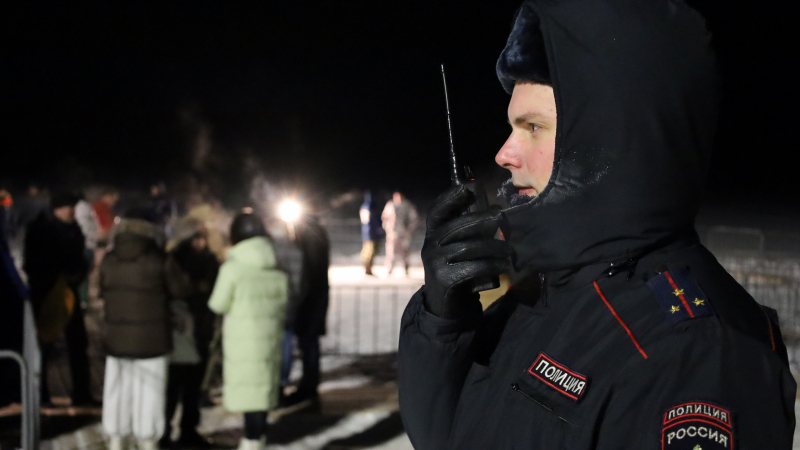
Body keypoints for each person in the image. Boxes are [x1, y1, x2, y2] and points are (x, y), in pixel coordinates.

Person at [398, 2, 795, 449]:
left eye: (533, 127)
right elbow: (447, 437)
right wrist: (443, 323)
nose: (504, 153)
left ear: (613, 144)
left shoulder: (695, 353)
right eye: (512, 127)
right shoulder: (551, 288)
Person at [100, 211, 186, 450]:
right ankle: (148, 441)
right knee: (150, 392)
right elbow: (180, 289)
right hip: (152, 341)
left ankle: (116, 440)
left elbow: (101, 288)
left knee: (117, 390)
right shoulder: (159, 260)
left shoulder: (109, 259)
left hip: (116, 340)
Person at [208, 213, 288, 450]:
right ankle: (258, 436)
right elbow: (285, 302)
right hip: (269, 338)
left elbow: (218, 304)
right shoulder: (276, 267)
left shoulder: (232, 269)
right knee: (262, 390)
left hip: (242, 341)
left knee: (248, 391)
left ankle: (251, 441)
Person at [23, 192, 92, 406]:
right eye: (68, 206)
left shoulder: (74, 229)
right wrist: (57, 274)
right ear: (56, 209)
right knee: (44, 345)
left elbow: (80, 258)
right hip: (47, 294)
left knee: (78, 343)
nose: (72, 210)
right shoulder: (40, 229)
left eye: (73, 206)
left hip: (69, 292)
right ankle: (40, 394)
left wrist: (78, 273)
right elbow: (33, 264)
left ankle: (81, 393)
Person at [161, 226, 218, 448]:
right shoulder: (175, 261)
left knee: (190, 386)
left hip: (197, 329)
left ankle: (185, 429)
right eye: (197, 238)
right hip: (182, 329)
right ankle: (168, 430)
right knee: (175, 386)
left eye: (203, 238)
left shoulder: (208, 260)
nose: (201, 242)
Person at [283, 214, 330, 407]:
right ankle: (309, 385)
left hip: (311, 300)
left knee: (309, 343)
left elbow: (309, 272)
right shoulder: (314, 234)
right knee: (309, 343)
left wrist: (300, 297)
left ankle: (309, 387)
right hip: (313, 299)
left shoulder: (311, 236)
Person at [381, 191, 418, 275]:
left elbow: (413, 218)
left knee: (405, 251)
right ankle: (389, 268)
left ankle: (406, 267)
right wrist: (387, 227)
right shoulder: (390, 205)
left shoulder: (407, 205)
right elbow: (384, 217)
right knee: (390, 251)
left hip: (404, 233)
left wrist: (409, 229)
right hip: (392, 233)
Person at [359, 191, 384, 276]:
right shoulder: (371, 207)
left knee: (369, 250)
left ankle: (368, 267)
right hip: (371, 233)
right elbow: (372, 221)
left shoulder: (364, 207)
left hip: (367, 232)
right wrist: (378, 229)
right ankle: (367, 267)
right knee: (371, 250)